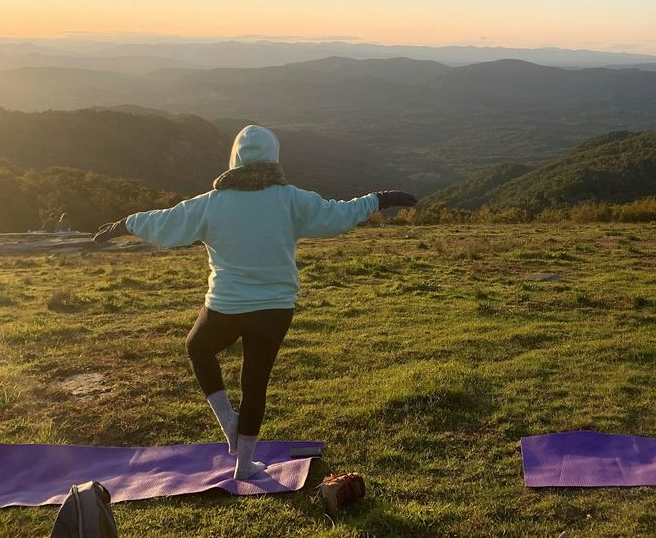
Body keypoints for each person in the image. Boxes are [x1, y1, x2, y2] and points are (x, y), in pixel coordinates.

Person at [92, 125, 417, 479]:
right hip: (276, 308)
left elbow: (167, 220)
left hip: (225, 306)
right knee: (255, 383)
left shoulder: (212, 203)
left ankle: (230, 424)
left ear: (235, 157)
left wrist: (125, 223)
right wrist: (381, 198)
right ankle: (244, 464)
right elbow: (336, 214)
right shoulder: (291, 198)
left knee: (198, 348)